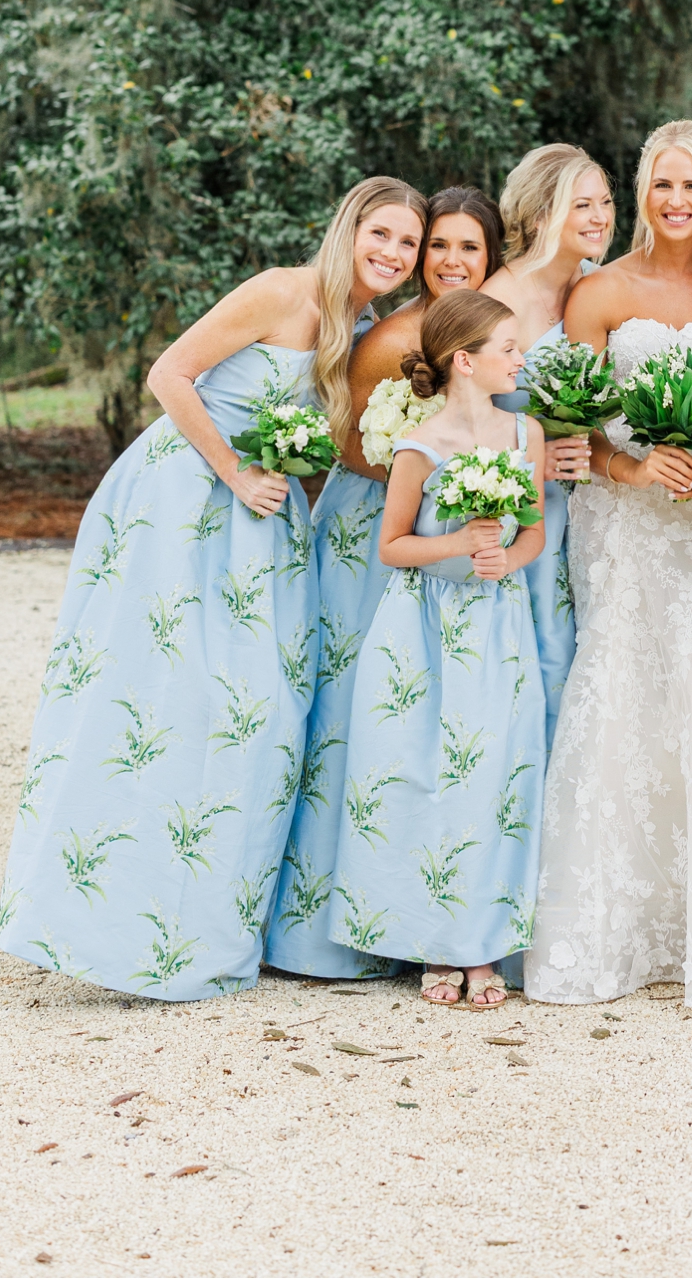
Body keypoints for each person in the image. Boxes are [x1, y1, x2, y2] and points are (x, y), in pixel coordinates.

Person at [0, 178, 425, 1002]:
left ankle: (197, 927)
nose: (393, 254)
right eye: (382, 233)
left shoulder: (362, 330)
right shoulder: (279, 289)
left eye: (406, 244)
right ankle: (98, 922)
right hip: (181, 496)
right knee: (155, 700)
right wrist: (233, 469)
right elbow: (170, 372)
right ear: (349, 227)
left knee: (251, 710)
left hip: (262, 524)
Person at [524, 119, 692, 1009]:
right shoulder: (599, 292)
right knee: (621, 691)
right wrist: (631, 464)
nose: (675, 202)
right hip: (622, 523)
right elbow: (568, 418)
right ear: (641, 191)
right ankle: (607, 935)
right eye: (662, 185)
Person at [265, 184, 501, 979]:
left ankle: (414, 909)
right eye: (438, 246)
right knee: (350, 710)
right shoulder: (393, 335)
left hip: (445, 544)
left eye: (468, 247)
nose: (450, 260)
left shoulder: (489, 337)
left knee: (419, 724)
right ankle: (324, 928)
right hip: (375, 529)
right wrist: (428, 466)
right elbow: (347, 441)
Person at [327, 290, 547, 1007]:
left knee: (490, 778)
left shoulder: (526, 437)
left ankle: (483, 946)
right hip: (422, 629)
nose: (521, 358)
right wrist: (456, 542)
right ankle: (433, 940)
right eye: (509, 348)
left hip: (496, 625)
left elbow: (535, 533)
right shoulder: (418, 445)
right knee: (423, 777)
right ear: (466, 360)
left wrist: (507, 561)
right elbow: (392, 545)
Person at [483, 144, 616, 747]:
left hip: (596, 503)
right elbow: (461, 422)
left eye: (606, 203)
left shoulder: (600, 287)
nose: (600, 217)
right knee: (545, 658)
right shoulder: (496, 302)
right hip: (523, 516)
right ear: (539, 215)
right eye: (580, 205)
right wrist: (533, 456)